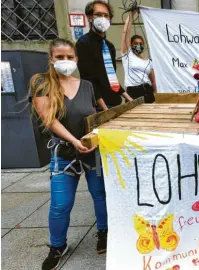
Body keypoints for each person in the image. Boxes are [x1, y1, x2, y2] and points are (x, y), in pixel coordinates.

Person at [29, 39, 108, 270]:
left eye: (69, 57)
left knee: (100, 195)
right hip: (64, 153)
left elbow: (93, 115)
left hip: (91, 151)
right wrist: (74, 140)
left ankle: (104, 233)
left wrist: (96, 136)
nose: (65, 61)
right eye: (60, 57)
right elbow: (48, 119)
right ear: (51, 59)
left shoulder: (86, 86)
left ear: (76, 60)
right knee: (61, 204)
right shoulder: (42, 83)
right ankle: (57, 246)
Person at [76, 0, 133, 111]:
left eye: (106, 15)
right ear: (89, 18)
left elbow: (112, 78)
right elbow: (88, 80)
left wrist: (128, 98)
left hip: (115, 102)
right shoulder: (83, 43)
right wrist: (104, 109)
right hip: (99, 106)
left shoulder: (109, 46)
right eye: (98, 14)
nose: (103, 18)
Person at [121, 10, 156, 103]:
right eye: (135, 43)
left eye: (141, 43)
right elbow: (125, 33)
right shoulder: (127, 55)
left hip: (148, 92)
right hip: (133, 92)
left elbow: (153, 81)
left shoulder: (149, 61)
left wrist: (157, 96)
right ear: (131, 44)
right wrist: (131, 15)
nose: (138, 45)